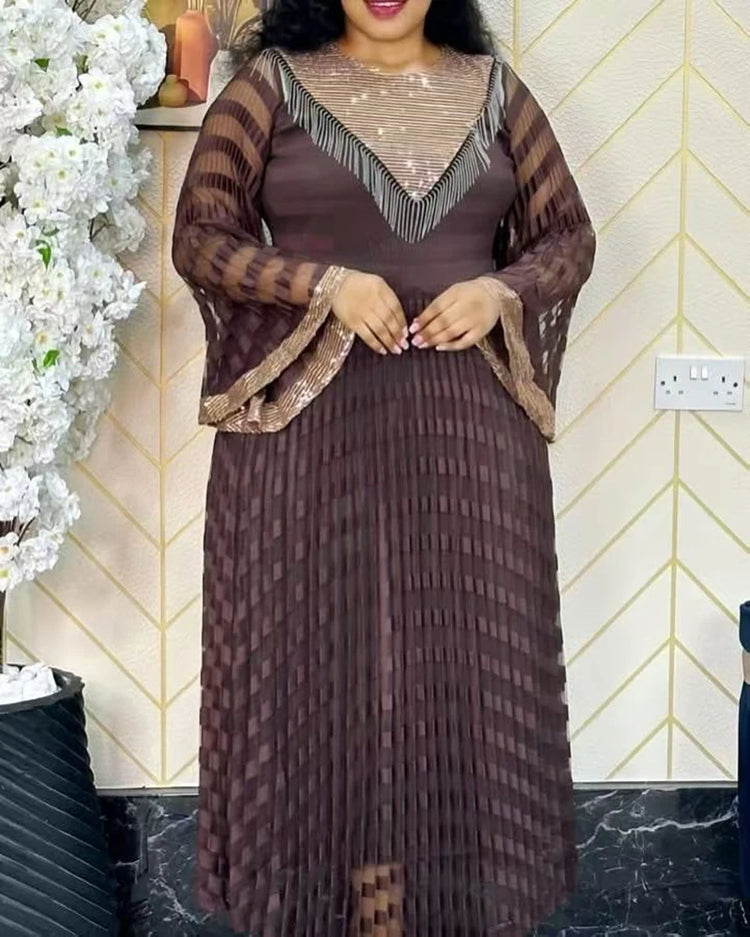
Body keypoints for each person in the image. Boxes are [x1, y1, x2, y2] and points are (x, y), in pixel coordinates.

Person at [171, 0, 596, 933]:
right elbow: (199, 237)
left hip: (467, 441)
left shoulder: (495, 93)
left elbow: (568, 235)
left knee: (457, 673)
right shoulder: (269, 89)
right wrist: (322, 283)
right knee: (324, 673)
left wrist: (499, 289)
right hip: (306, 441)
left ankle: (435, 913)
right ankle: (360, 914)